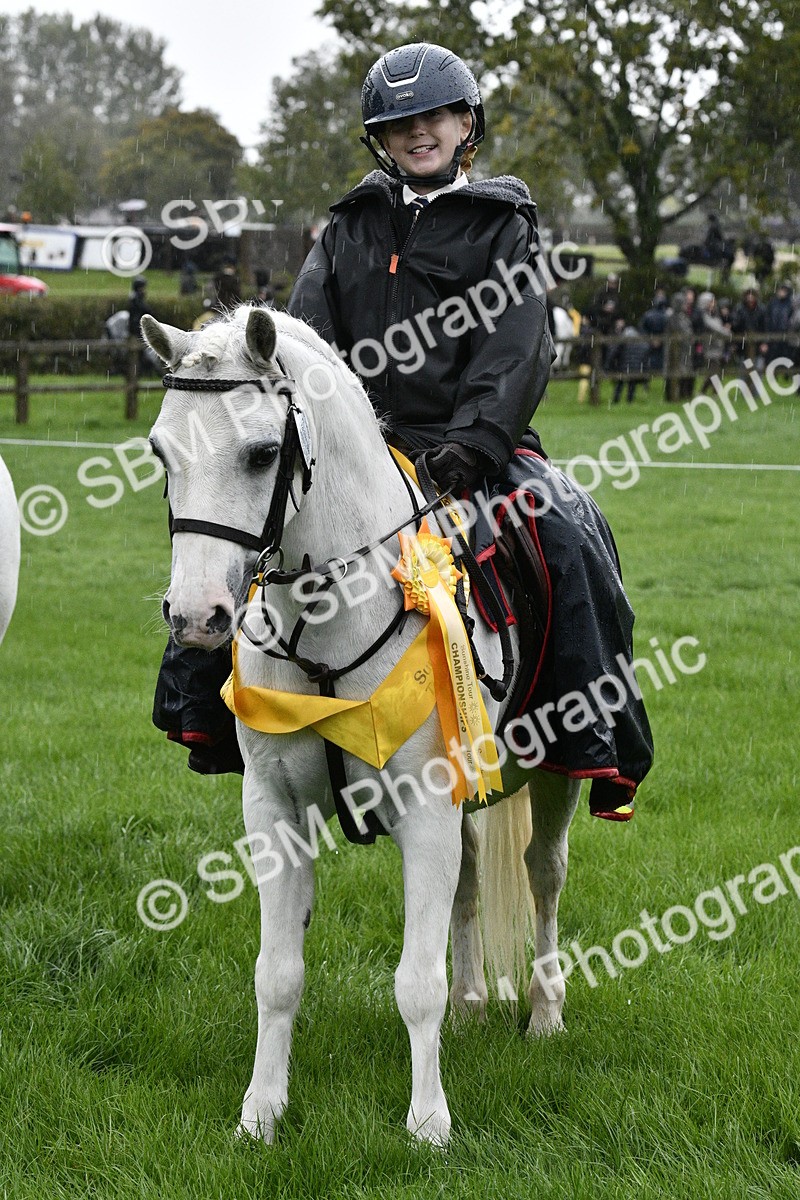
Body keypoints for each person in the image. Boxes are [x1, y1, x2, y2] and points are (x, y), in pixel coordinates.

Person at [153, 43, 652, 816]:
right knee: (242, 537)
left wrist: (476, 443)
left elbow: (517, 348)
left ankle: (580, 733)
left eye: (434, 117)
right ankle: (209, 714)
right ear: (380, 139)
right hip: (354, 448)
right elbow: (304, 340)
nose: (418, 133)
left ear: (465, 124)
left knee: (563, 532)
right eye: (398, 123)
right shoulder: (348, 227)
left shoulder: (502, 226)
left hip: (472, 450)